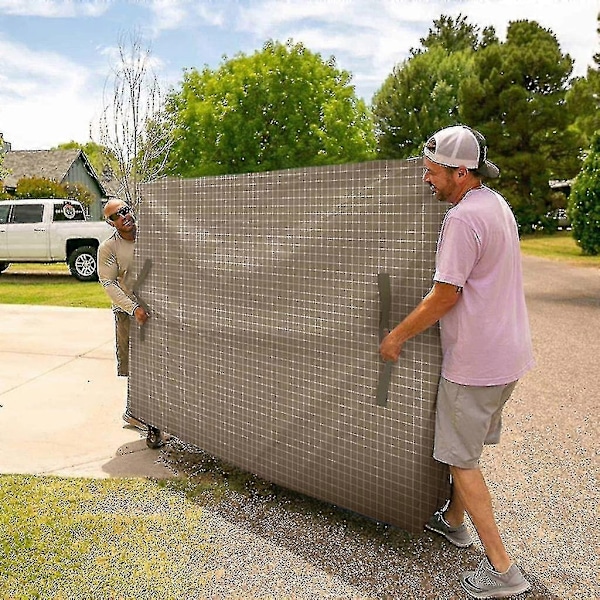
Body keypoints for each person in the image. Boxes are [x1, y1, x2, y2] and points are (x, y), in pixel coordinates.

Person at [380, 125, 534, 598]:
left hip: (476, 364)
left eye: (432, 172)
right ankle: (453, 521)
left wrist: (396, 336)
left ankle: (504, 572)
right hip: (508, 354)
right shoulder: (496, 205)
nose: (426, 179)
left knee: (459, 459)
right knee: (465, 447)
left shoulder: (463, 219)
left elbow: (445, 295)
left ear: (460, 172)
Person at [98, 199, 149, 428]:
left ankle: (155, 410)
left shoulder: (150, 235)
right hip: (128, 312)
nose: (124, 216)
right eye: (117, 215)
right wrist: (133, 308)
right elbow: (108, 283)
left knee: (158, 361)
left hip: (156, 309)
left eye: (125, 210)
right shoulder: (109, 248)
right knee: (136, 364)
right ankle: (133, 412)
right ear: (110, 223)